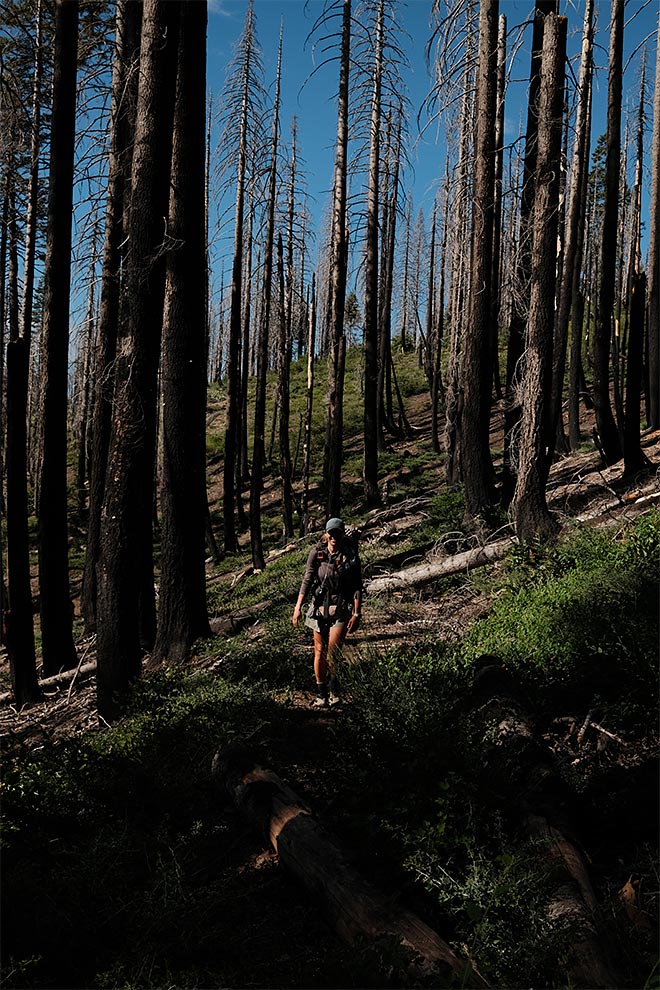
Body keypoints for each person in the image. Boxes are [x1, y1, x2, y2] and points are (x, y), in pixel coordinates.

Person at [292, 517, 363, 707]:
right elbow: (307, 580)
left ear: (342, 534)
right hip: (318, 607)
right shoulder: (317, 553)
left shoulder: (350, 555)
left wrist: (357, 613)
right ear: (326, 533)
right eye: (331, 533)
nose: (334, 537)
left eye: (337, 533)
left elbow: (357, 585)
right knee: (319, 651)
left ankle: (335, 692)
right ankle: (321, 694)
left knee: (333, 652)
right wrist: (298, 607)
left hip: (341, 607)